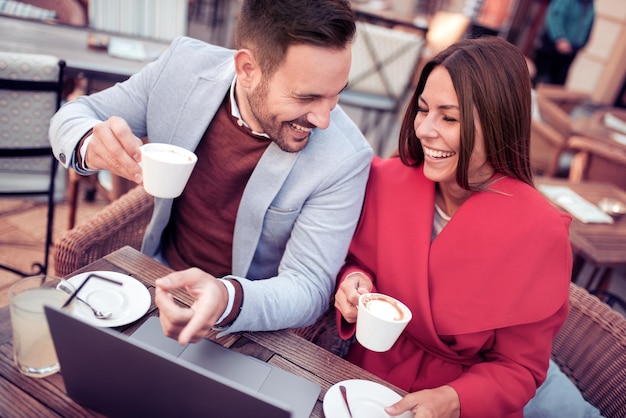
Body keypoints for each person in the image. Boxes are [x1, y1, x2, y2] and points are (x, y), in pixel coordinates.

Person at [49, 0, 373, 343]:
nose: (324, 119)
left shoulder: (345, 157)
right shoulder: (181, 68)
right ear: (247, 69)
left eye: (336, 95)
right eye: (306, 97)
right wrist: (88, 143)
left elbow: (309, 286)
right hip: (152, 280)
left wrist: (227, 299)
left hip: (249, 323)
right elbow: (74, 115)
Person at [334, 37, 577, 417]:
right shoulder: (389, 180)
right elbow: (356, 260)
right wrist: (353, 284)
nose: (424, 130)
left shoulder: (539, 234)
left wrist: (452, 399)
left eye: (449, 118)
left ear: (498, 125)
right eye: (423, 110)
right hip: (363, 382)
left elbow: (520, 368)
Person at [533, 0, 595, 86]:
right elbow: (555, 17)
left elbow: (589, 25)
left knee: (559, 81)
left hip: (571, 49)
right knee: (541, 77)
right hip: (553, 47)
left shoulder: (590, 4)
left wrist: (583, 43)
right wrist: (559, 38)